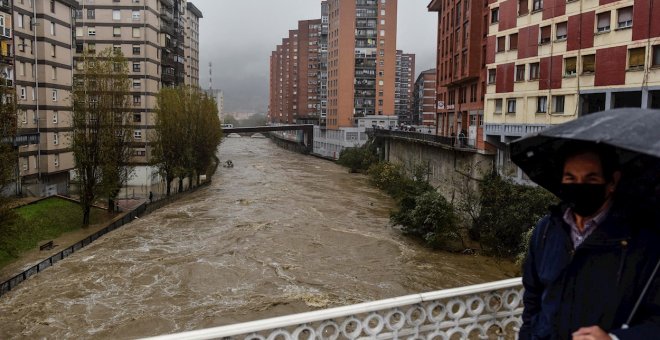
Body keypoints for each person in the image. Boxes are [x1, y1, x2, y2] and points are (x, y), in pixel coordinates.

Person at [520, 141, 660, 340]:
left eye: (590, 179)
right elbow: (533, 298)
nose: (579, 186)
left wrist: (614, 339)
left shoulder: (643, 242)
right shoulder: (546, 231)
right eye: (571, 178)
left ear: (612, 182)